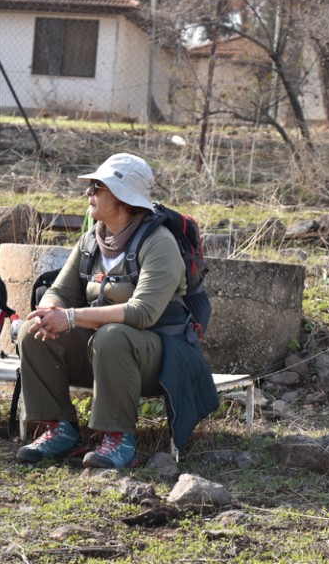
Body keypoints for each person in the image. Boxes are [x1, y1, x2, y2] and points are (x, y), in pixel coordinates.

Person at [16, 153, 214, 468]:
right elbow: (60, 291)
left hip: (158, 360)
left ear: (123, 198)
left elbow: (142, 313)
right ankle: (60, 430)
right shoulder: (91, 242)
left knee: (112, 336)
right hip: (105, 355)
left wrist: (69, 318)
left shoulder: (158, 243)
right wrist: (48, 312)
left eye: (98, 187)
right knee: (32, 333)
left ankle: (118, 439)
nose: (88, 193)